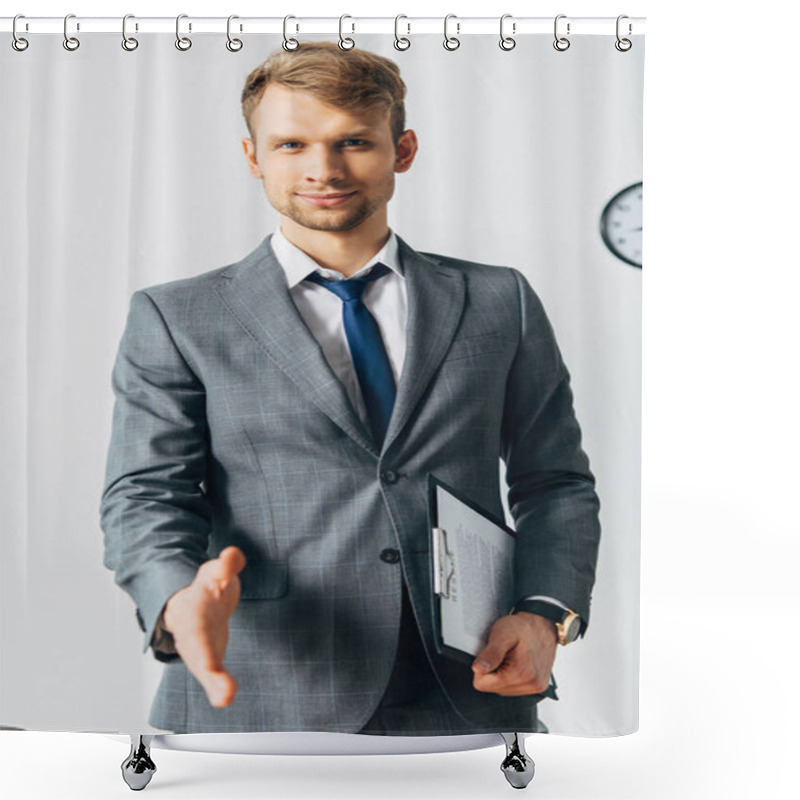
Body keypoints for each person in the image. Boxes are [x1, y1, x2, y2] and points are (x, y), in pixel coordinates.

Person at [101, 41, 601, 736]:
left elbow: (555, 482)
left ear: (403, 149)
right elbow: (145, 494)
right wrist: (175, 599)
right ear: (253, 158)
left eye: (354, 142)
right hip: (263, 686)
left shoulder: (499, 301)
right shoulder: (178, 317)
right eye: (292, 144)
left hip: (474, 680)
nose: (323, 169)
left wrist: (548, 613)